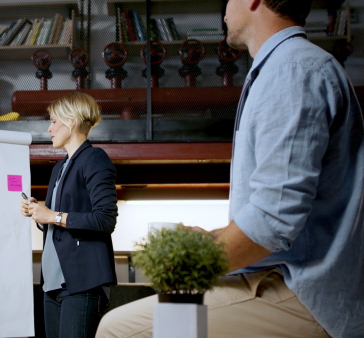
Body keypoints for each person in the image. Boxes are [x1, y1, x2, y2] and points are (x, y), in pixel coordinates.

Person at [96, 0, 364, 337]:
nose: (224, 10)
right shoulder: (286, 67)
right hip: (278, 277)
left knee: (117, 329)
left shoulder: (292, 70)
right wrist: (210, 238)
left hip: (304, 292)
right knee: (177, 324)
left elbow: (272, 221)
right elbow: (275, 212)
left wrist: (189, 260)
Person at [20, 92, 118, 337]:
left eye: (54, 121)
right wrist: (38, 213)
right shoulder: (60, 168)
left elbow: (105, 219)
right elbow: (56, 221)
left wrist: (52, 216)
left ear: (72, 121)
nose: (49, 128)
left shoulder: (94, 158)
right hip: (52, 284)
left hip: (82, 282)